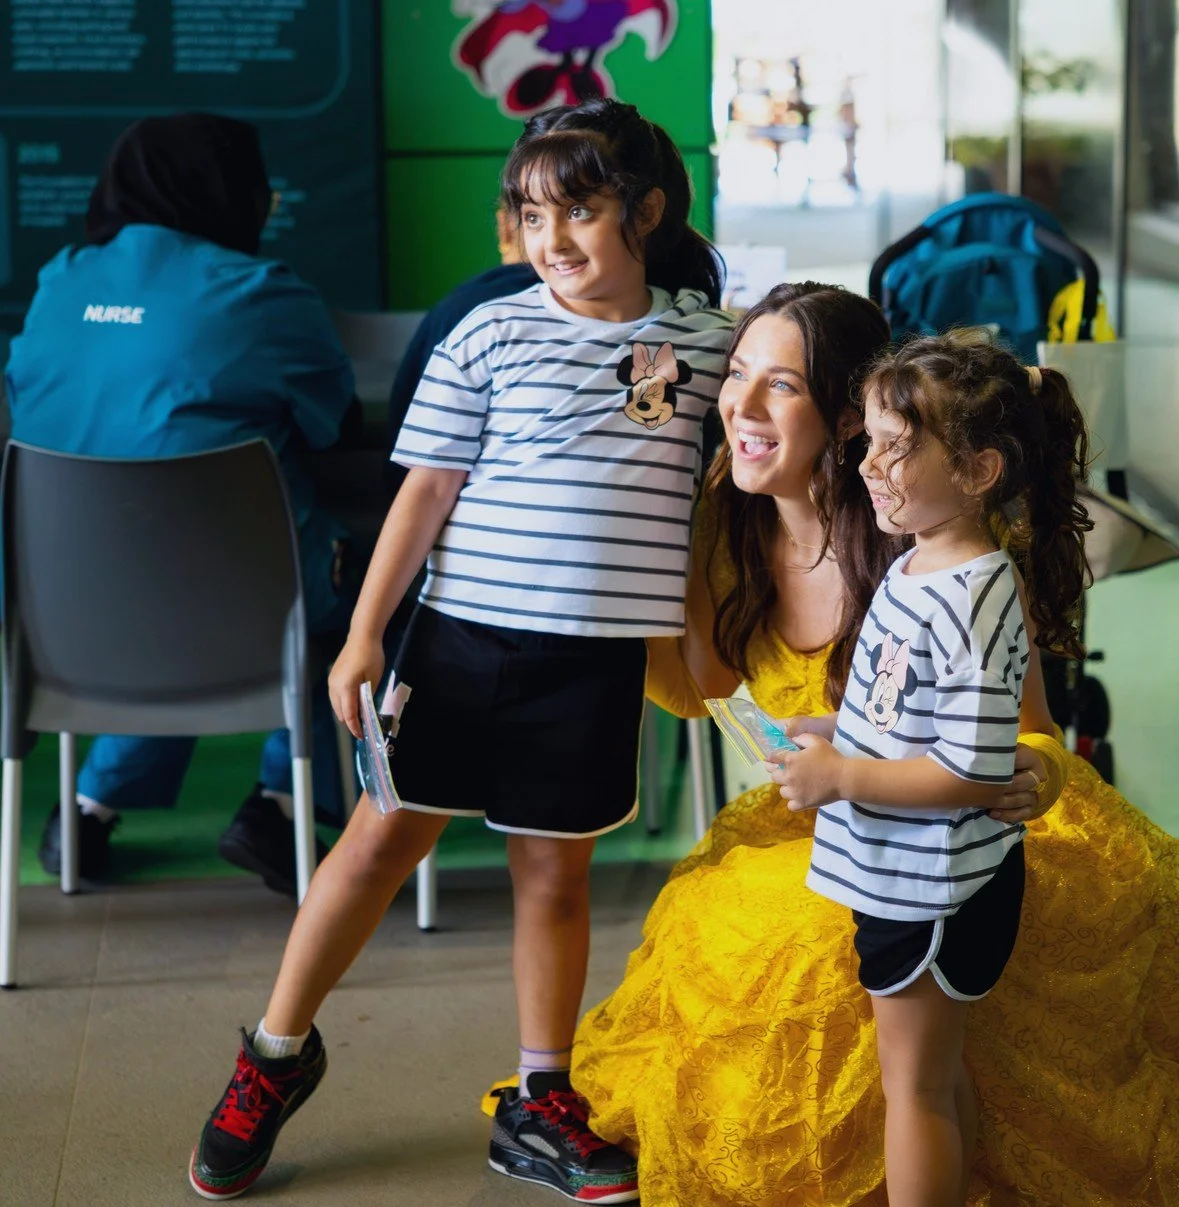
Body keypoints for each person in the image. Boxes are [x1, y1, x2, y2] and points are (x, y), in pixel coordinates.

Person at [571, 282, 1179, 1206]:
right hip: (838, 813)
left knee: (849, 990)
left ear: (849, 418)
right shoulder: (728, 525)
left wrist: (1042, 769)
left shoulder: (927, 540)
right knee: (741, 939)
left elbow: (1022, 730)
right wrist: (666, 536)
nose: (740, 405)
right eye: (737, 374)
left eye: (780, 384)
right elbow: (706, 689)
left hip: (948, 829)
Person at [185, 98, 734, 1203]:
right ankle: (274, 1055)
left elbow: (772, 431)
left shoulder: (709, 344)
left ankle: (538, 1101)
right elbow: (424, 492)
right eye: (531, 214)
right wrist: (364, 636)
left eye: (578, 211)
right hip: (457, 644)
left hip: (594, 663)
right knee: (376, 846)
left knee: (555, 875)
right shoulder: (489, 332)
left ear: (647, 212)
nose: (551, 238)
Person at [768, 331, 1089, 1204]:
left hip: (935, 888)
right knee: (933, 1078)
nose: (868, 464)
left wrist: (841, 778)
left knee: (913, 1089)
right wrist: (833, 728)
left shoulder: (974, 593)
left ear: (979, 471)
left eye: (897, 448)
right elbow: (909, 713)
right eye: (870, 440)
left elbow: (971, 772)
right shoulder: (918, 562)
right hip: (904, 876)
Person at [4, 113, 359, 895]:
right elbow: (333, 422)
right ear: (231, 191)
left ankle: (89, 805)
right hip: (240, 611)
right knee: (362, 598)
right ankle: (284, 802)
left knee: (170, 590)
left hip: (61, 619)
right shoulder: (263, 293)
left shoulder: (60, 280)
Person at [383, 205, 539, 499]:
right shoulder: (617, 315)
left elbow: (415, 471)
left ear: (504, 226)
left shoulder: (462, 311)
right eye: (534, 218)